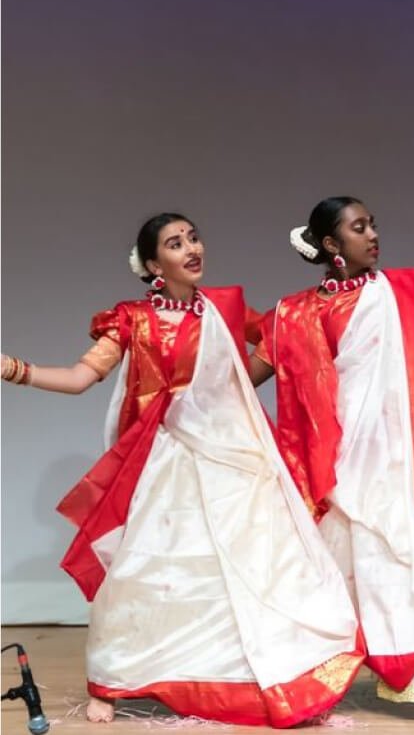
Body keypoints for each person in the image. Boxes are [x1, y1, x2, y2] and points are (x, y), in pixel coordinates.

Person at [1, 213, 363, 726]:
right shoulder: (132, 318)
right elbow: (82, 377)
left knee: (255, 567)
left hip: (232, 458)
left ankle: (249, 676)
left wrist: (231, 390)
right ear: (153, 264)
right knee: (152, 571)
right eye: (175, 244)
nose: (192, 248)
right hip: (167, 463)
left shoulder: (224, 309)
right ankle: (118, 680)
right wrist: (14, 368)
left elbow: (282, 344)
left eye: (193, 237)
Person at [251, 197, 414, 727]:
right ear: (330, 245)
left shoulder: (406, 290)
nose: (373, 235)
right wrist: (187, 390)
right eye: (359, 227)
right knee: (350, 571)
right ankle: (319, 686)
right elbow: (250, 373)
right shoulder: (297, 314)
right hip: (347, 467)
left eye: (373, 225)